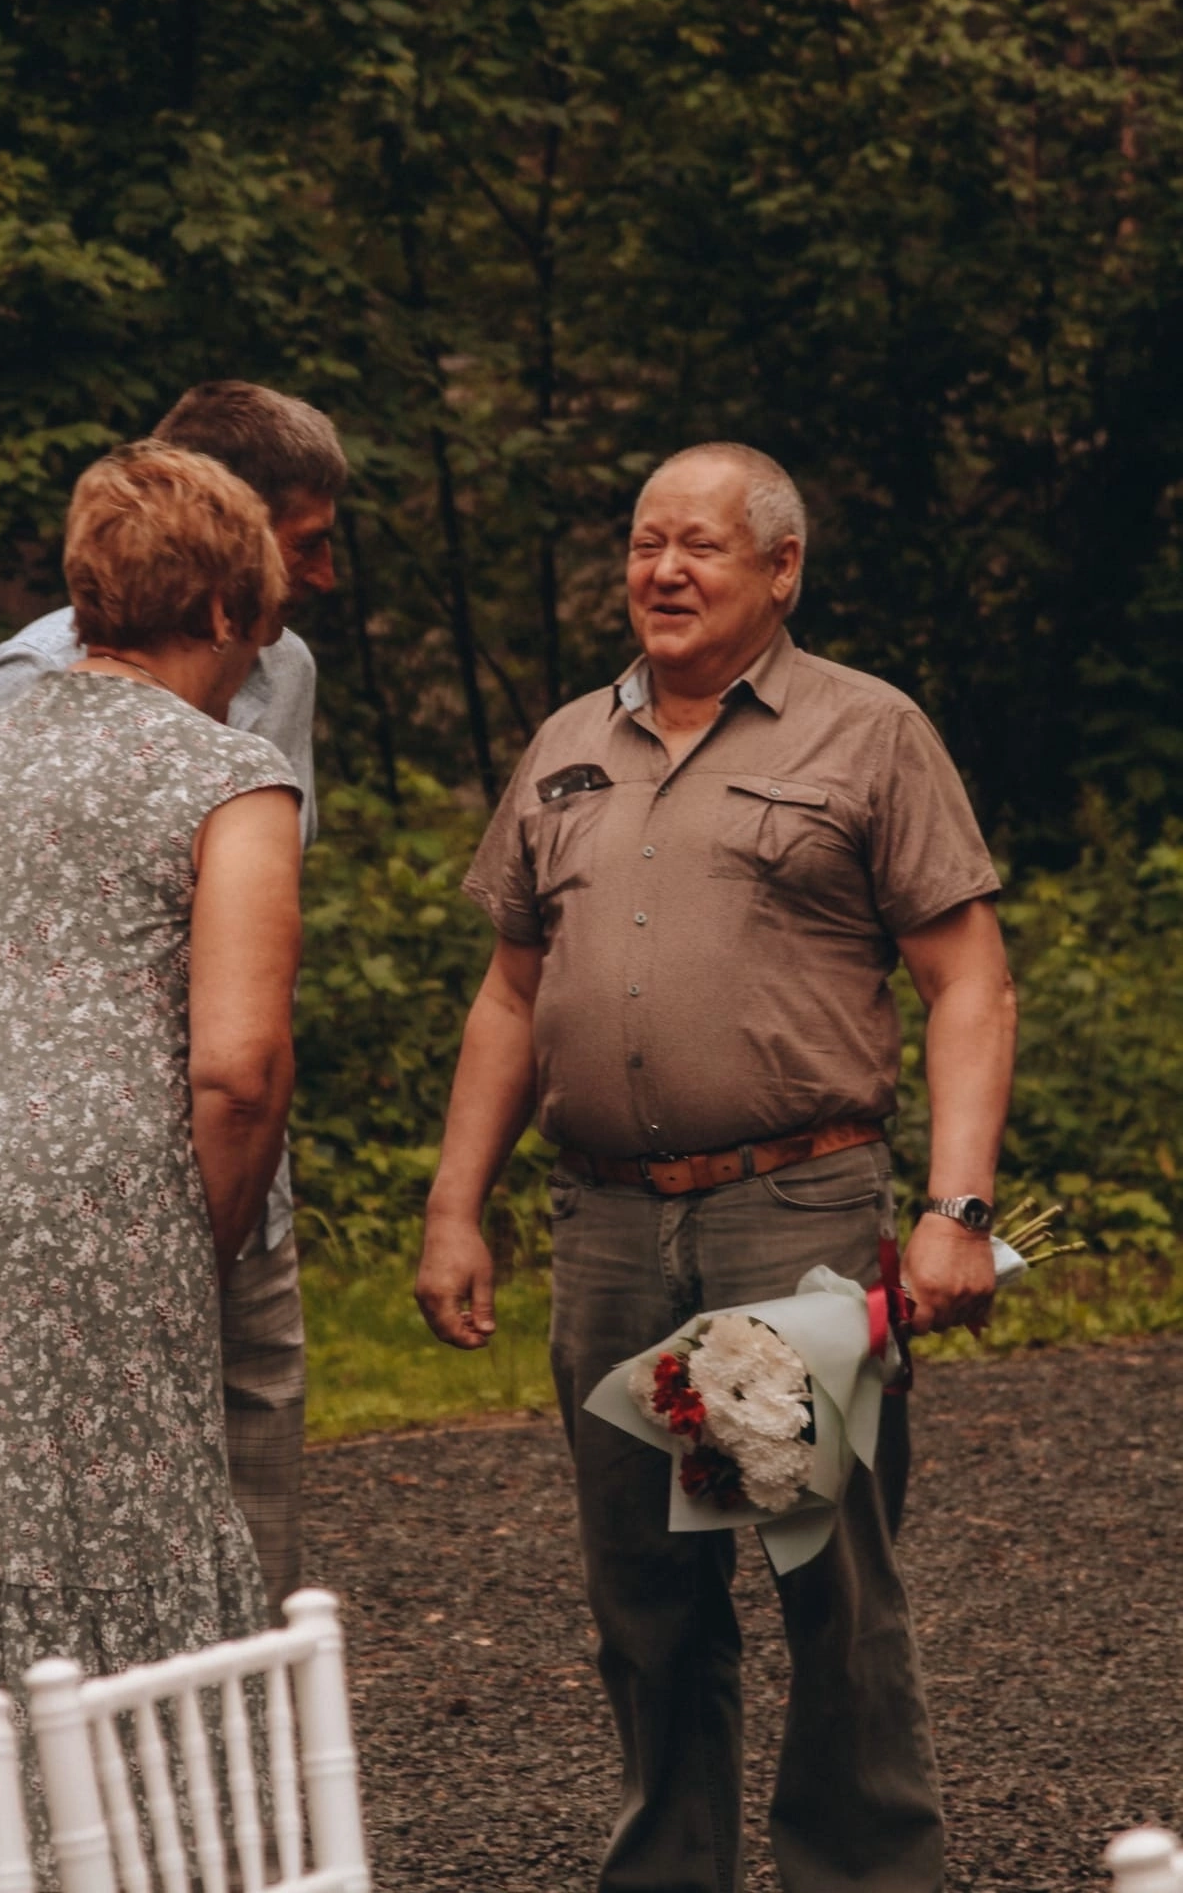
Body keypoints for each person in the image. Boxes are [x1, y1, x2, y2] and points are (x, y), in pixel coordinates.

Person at [416, 442, 1018, 1893]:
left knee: (820, 1576)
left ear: (780, 569)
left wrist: (953, 1211)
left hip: (780, 1219)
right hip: (611, 1231)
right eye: (642, 544)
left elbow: (968, 984)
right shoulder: (568, 742)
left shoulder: (861, 733)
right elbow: (509, 994)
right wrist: (454, 1208)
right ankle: (669, 1873)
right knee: (644, 1598)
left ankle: (859, 1874)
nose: (662, 572)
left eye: (698, 547)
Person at [0, 441, 302, 1876]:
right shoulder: (226, 778)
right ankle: (143, 1847)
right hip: (103, 1201)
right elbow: (238, 1065)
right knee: (128, 1537)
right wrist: (194, 1228)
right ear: (221, 615)